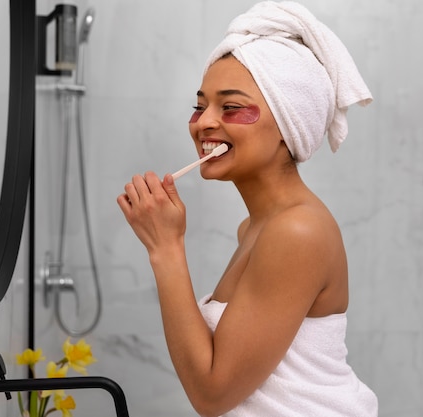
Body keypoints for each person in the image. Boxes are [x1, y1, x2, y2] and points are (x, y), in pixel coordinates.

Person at [117, 1, 378, 416]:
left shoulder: (297, 232)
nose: (203, 122)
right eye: (200, 105)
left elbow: (212, 394)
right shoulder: (256, 227)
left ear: (288, 123)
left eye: (231, 107)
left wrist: (165, 248)